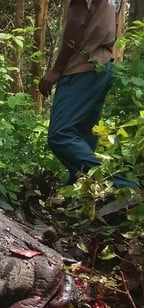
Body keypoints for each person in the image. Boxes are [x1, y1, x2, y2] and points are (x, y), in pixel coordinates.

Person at [38, 0, 137, 190]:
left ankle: (126, 188)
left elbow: (77, 22)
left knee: (61, 135)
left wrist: (57, 69)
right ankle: (79, 194)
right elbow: (113, 25)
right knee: (83, 136)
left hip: (81, 66)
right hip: (103, 65)